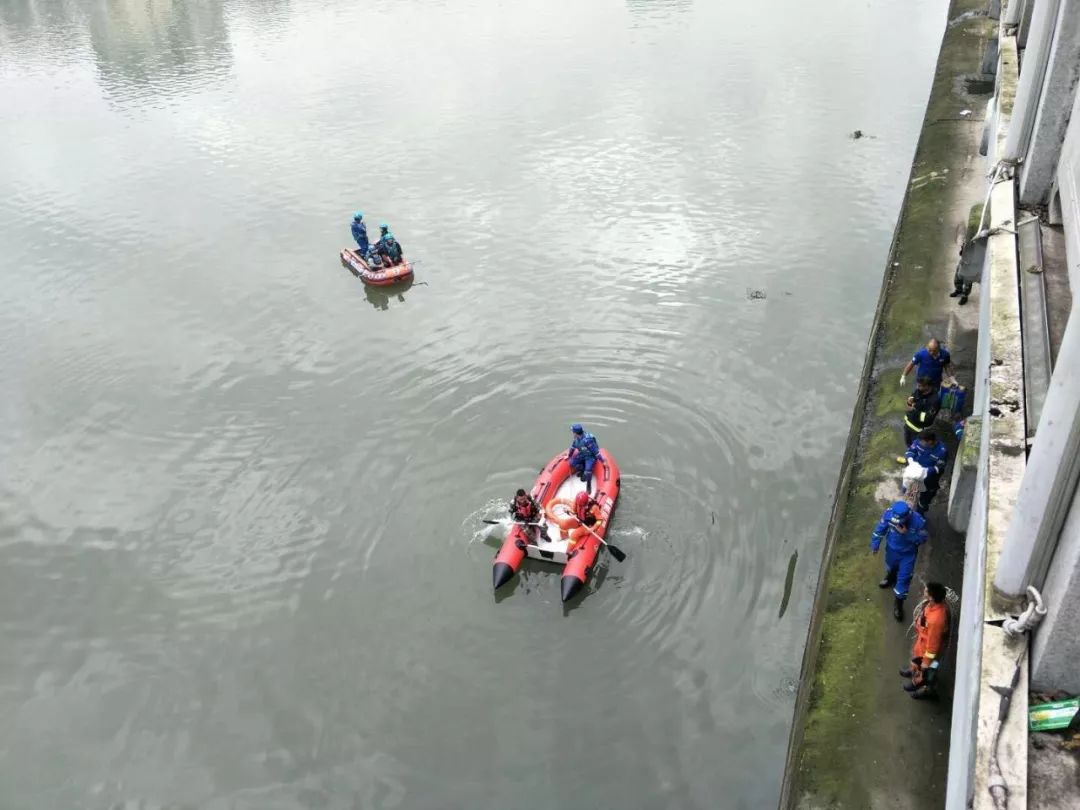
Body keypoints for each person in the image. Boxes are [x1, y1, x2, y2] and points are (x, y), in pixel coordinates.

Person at [870, 501, 929, 622]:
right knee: (891, 567)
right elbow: (880, 530)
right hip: (892, 551)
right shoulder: (889, 514)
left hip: (907, 555)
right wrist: (875, 545)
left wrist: (906, 534)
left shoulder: (917, 521)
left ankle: (898, 604)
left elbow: (922, 539)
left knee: (904, 578)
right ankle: (890, 578)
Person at [900, 582, 950, 699]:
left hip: (929, 651)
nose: (924, 591)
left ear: (931, 597)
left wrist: (926, 662)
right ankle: (915, 671)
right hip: (922, 643)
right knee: (919, 661)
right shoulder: (932, 605)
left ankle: (928, 690)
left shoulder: (936, 620)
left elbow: (933, 645)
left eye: (926, 591)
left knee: (930, 671)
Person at [896, 376, 942, 463]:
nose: (918, 387)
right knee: (909, 444)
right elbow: (911, 402)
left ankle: (917, 464)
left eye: (920, 386)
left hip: (919, 430)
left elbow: (928, 418)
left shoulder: (934, 400)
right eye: (918, 385)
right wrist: (909, 402)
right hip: (908, 425)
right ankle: (909, 459)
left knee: (920, 448)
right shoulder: (918, 391)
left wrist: (914, 410)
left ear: (928, 386)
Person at [905, 429, 948, 513]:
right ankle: (907, 511)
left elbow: (940, 467)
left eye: (923, 442)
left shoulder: (942, 451)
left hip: (930, 479)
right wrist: (910, 460)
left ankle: (920, 513)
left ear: (930, 441)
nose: (920, 443)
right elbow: (911, 451)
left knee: (925, 499)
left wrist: (926, 470)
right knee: (911, 494)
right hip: (916, 475)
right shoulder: (918, 441)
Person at [567, 423, 601, 490]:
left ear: (576, 433)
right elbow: (572, 448)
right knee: (572, 463)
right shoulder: (576, 439)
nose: (572, 433)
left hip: (590, 457)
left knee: (588, 471)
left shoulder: (588, 441)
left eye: (573, 432)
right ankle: (582, 470)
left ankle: (588, 484)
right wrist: (569, 456)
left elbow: (596, 452)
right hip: (582, 454)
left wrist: (603, 461)